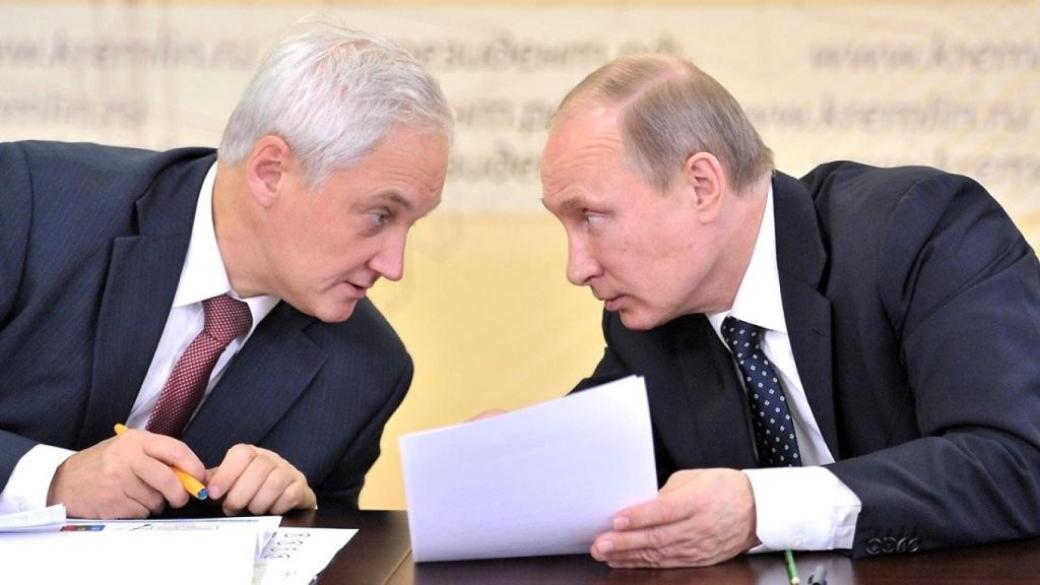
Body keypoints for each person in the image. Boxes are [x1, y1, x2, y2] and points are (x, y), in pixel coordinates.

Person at [540, 54, 1040, 567]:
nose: (577, 268)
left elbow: (1018, 462)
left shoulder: (919, 230)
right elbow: (589, 471)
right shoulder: (647, 322)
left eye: (591, 217)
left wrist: (761, 509)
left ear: (701, 186)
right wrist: (508, 458)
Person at [0, 22, 452, 519]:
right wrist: (50, 480)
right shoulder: (31, 203)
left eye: (411, 223)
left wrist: (298, 512)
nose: (393, 265)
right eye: (381, 215)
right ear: (270, 173)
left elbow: (336, 540)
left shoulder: (365, 371)